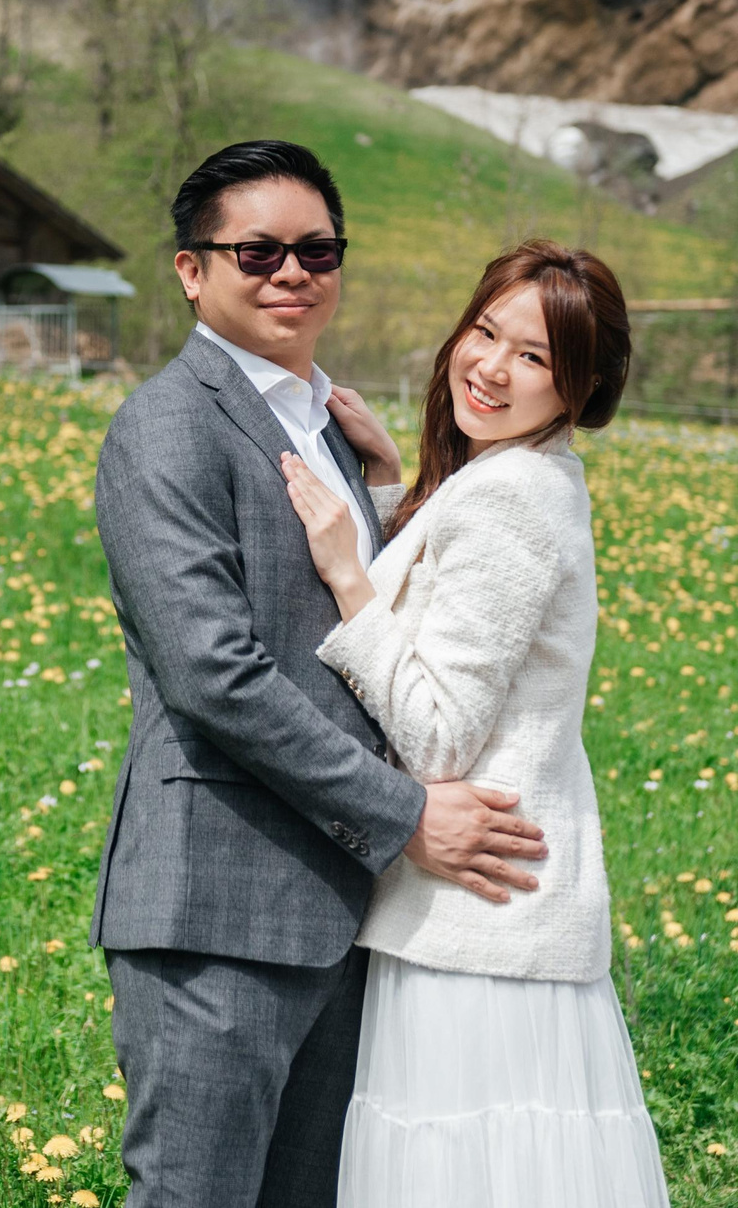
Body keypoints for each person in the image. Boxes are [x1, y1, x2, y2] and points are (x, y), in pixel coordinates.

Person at [92, 141, 551, 1208]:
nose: (290, 271)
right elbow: (214, 673)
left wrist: (387, 490)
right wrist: (403, 813)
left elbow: (360, 615)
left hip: (343, 908)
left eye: (317, 249)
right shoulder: (165, 428)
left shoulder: (327, 423)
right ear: (191, 270)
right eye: (256, 250)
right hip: (216, 903)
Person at [278, 239, 671, 1207]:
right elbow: (456, 612)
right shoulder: (514, 478)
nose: (490, 366)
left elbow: (439, 732)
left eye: (533, 355)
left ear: (581, 385)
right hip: (492, 918)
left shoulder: (512, 499)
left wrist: (344, 571)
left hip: (476, 926)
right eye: (485, 331)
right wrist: (384, 490)